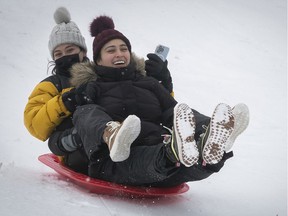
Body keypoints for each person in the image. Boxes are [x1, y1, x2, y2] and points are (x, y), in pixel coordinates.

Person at [65, 15, 249, 187]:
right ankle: (113, 134)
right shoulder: (91, 87)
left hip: (164, 161)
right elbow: (83, 122)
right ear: (98, 59)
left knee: (181, 116)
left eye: (124, 49)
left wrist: (194, 124)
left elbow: (172, 111)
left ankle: (213, 136)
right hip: (118, 162)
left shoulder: (148, 83)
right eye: (111, 50)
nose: (119, 54)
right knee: (84, 111)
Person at [23, 7, 175, 173]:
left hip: (118, 143)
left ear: (83, 51)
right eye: (58, 54)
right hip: (75, 146)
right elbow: (34, 124)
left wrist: (163, 81)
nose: (64, 56)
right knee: (86, 114)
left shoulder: (100, 73)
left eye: (70, 50)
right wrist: (65, 102)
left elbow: (151, 102)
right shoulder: (53, 84)